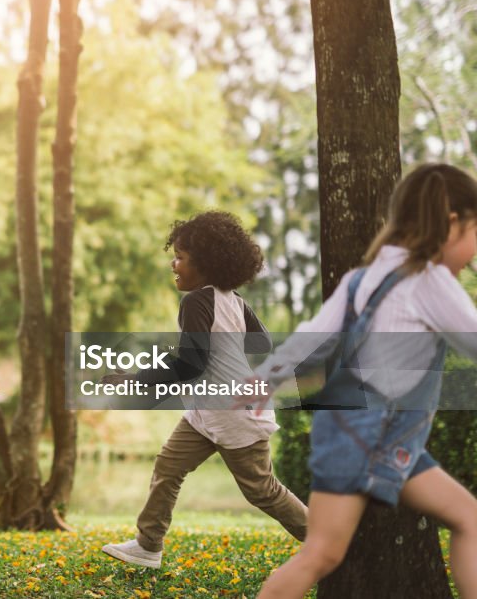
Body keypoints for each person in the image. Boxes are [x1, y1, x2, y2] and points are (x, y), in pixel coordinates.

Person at [248, 164, 477, 598]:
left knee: (469, 518)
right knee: (321, 554)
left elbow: (311, 336)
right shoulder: (428, 281)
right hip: (366, 438)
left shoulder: (360, 280)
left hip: (378, 439)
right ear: (451, 223)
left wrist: (265, 376)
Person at [101, 211, 308, 568]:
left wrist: (134, 380)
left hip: (233, 412)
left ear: (207, 264)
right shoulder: (233, 300)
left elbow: (190, 364)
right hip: (207, 412)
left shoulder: (197, 301)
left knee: (262, 490)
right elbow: (260, 342)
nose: (174, 263)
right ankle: (148, 545)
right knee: (168, 466)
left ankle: (329, 541)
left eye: (181, 257)